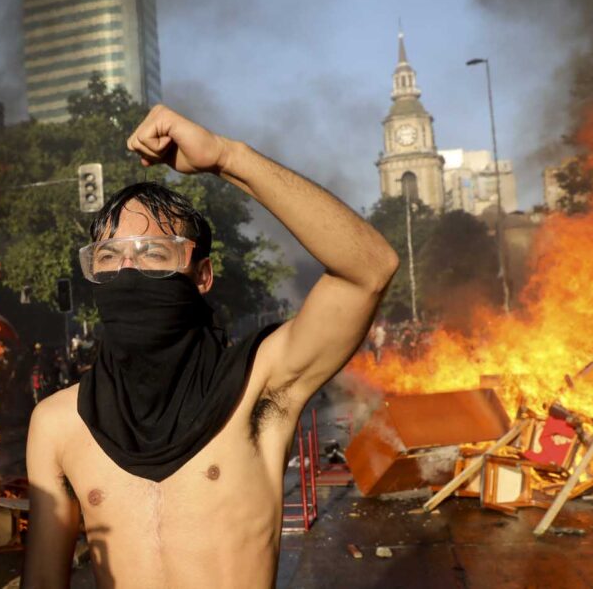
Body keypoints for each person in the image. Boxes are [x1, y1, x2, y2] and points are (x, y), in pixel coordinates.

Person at [24, 105, 398, 588]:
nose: (128, 272)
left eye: (155, 254)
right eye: (110, 258)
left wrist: (226, 157)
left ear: (201, 276)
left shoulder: (257, 387)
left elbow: (369, 268)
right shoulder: (57, 423)